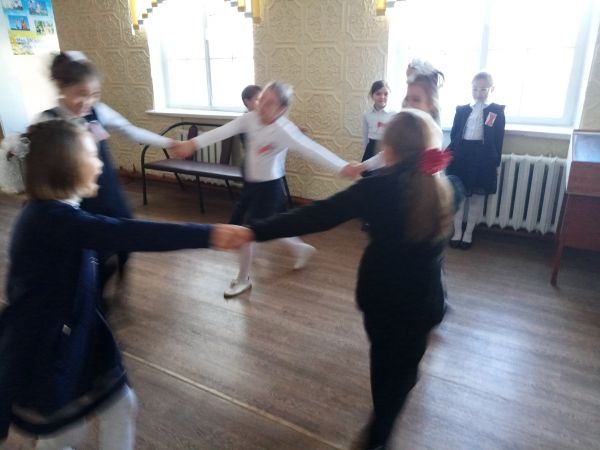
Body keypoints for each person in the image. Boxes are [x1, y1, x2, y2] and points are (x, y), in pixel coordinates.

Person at [217, 109, 458, 450]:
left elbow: (316, 216)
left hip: (382, 297)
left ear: (388, 150)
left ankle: (379, 428)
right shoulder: (450, 188)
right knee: (405, 368)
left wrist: (253, 230)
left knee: (383, 360)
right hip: (425, 300)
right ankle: (384, 425)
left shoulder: (378, 188)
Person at [0, 119, 230, 449]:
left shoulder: (54, 212)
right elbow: (128, 233)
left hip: (81, 331)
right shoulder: (51, 220)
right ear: (67, 168)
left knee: (119, 405)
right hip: (51, 346)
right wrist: (209, 234)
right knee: (65, 432)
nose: (100, 165)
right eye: (92, 157)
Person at [174, 81, 353, 298]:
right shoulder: (249, 119)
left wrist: (343, 167)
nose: (261, 106)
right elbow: (222, 132)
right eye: (261, 100)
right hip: (251, 185)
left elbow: (312, 150)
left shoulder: (284, 130)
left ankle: (243, 279)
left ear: (281, 109)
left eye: (269, 103)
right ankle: (300, 248)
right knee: (270, 227)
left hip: (270, 188)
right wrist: (192, 144)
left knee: (248, 233)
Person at [38, 51, 184, 312]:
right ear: (61, 87)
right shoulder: (48, 121)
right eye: (81, 94)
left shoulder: (98, 111)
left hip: (110, 194)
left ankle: (112, 283)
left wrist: (169, 143)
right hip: (78, 203)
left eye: (93, 94)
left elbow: (130, 130)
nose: (87, 102)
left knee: (124, 242)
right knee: (91, 254)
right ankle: (93, 301)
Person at [446, 72, 506, 249]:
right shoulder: (462, 110)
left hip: (483, 157)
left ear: (491, 89)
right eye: (475, 89)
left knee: (476, 198)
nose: (478, 93)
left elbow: (498, 139)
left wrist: (495, 162)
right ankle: (457, 231)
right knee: (458, 196)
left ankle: (468, 233)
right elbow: (455, 134)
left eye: (483, 89)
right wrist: (450, 154)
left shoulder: (496, 111)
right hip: (461, 156)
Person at [361, 81, 394, 167]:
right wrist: (366, 150)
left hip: (386, 149)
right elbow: (365, 134)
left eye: (386, 94)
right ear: (372, 95)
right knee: (368, 174)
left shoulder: (394, 114)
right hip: (371, 149)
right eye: (378, 93)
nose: (382, 97)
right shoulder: (367, 114)